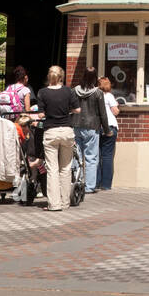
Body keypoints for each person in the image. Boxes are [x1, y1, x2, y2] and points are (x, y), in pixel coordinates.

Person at [36, 66, 80, 211]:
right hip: (67, 131)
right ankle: (65, 202)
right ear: (61, 77)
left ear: (49, 77)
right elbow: (77, 109)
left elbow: (41, 115)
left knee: (52, 169)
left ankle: (54, 204)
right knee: (66, 168)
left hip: (51, 132)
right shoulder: (69, 91)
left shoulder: (43, 92)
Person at [73, 68, 105, 194]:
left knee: (77, 156)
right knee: (91, 158)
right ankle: (89, 186)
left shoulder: (74, 91)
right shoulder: (98, 93)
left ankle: (77, 182)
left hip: (76, 125)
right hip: (92, 127)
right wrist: (107, 129)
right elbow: (103, 114)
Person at [98, 77, 119, 191]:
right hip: (110, 126)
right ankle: (106, 185)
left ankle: (95, 182)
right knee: (107, 156)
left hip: (98, 127)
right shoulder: (109, 96)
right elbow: (115, 111)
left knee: (96, 156)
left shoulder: (96, 95)